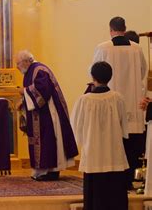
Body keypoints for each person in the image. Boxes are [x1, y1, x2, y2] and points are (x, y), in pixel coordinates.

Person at [92, 16, 147, 189]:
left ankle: (113, 180)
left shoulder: (103, 48)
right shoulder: (137, 49)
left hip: (111, 103)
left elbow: (94, 71)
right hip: (133, 102)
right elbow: (143, 71)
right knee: (131, 144)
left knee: (113, 143)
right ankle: (130, 179)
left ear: (111, 29)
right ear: (125, 28)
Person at [71, 62, 129, 210]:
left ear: (93, 77)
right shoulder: (118, 98)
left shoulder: (84, 100)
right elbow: (123, 127)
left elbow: (76, 128)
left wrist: (86, 140)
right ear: (110, 77)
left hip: (93, 156)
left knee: (95, 199)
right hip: (113, 153)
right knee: (115, 197)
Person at [14, 50, 78, 181]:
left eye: (18, 63)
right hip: (41, 111)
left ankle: (50, 171)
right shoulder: (32, 70)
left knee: (48, 139)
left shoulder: (39, 70)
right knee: (43, 140)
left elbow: (42, 91)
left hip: (49, 112)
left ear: (26, 61)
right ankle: (42, 171)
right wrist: (24, 100)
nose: (17, 67)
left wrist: (23, 91)